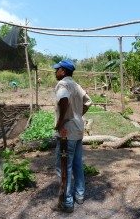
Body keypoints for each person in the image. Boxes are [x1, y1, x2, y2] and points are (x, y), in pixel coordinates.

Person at [52, 59, 92, 213]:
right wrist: (77, 115)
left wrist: (60, 122)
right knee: (77, 164)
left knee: (64, 167)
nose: (56, 72)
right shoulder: (76, 85)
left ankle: (67, 203)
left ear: (63, 71)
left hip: (66, 133)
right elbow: (88, 102)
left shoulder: (63, 84)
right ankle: (80, 196)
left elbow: (63, 99)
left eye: (58, 69)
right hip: (77, 130)